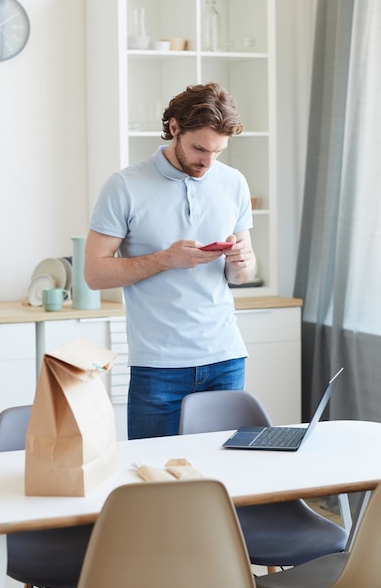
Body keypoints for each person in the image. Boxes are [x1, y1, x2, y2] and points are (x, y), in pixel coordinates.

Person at [84, 82, 257, 439]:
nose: (207, 162)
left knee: (229, 474)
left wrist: (242, 263)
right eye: (199, 148)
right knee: (155, 480)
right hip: (159, 365)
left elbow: (241, 274)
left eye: (218, 152)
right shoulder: (124, 185)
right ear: (174, 128)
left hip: (225, 357)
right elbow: (94, 273)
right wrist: (165, 259)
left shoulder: (234, 183)